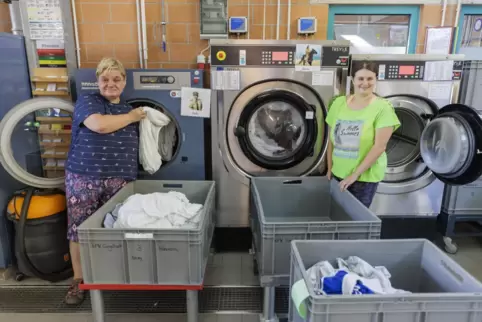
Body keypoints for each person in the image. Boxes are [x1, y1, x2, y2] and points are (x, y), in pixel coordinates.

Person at [64, 57, 146, 305]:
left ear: (124, 81)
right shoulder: (88, 101)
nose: (111, 84)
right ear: (97, 81)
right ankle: (79, 281)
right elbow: (98, 125)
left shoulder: (129, 108)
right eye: (105, 79)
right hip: (84, 176)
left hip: (119, 180)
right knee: (79, 229)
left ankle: (113, 276)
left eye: (116, 79)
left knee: (116, 227)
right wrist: (132, 117)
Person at [325, 61, 400, 208]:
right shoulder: (339, 103)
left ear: (376, 80)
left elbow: (379, 147)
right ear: (353, 80)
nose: (365, 83)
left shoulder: (383, 108)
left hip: (364, 177)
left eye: (370, 79)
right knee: (336, 214)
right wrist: (329, 168)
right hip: (338, 172)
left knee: (355, 220)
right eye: (360, 79)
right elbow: (331, 140)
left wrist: (355, 175)